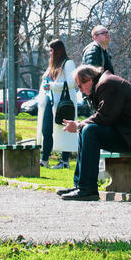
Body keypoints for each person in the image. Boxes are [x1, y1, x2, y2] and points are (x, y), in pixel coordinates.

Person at [60, 64, 131, 201]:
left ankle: (87, 189)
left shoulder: (107, 84)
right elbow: (104, 117)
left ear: (89, 80)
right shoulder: (104, 83)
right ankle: (80, 185)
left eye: (80, 86)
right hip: (128, 134)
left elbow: (105, 117)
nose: (80, 90)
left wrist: (79, 124)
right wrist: (80, 126)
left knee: (89, 130)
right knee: (86, 130)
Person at [35, 39, 78, 169]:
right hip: (50, 101)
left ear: (57, 50)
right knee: (46, 130)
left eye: (51, 50)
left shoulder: (68, 63)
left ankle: (64, 161)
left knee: (64, 129)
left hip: (63, 103)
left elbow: (72, 83)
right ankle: (45, 159)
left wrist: (52, 86)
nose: (50, 53)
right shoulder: (52, 66)